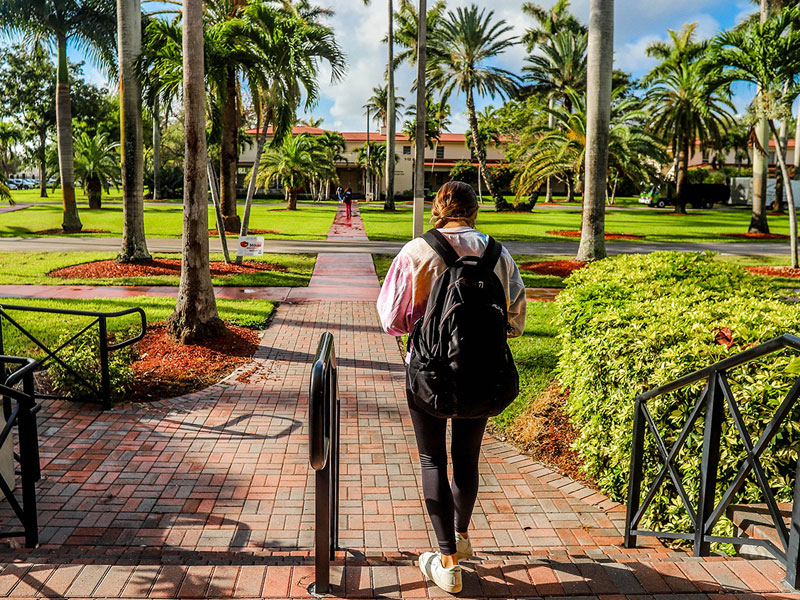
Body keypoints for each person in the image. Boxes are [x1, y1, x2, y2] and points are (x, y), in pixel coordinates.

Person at [376, 181, 526, 594]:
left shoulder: (417, 251)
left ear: (439, 209)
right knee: (467, 458)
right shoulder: (498, 253)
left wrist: (419, 329)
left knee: (431, 460)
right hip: (482, 373)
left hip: (428, 375)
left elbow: (391, 318)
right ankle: (461, 536)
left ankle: (447, 562)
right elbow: (516, 319)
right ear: (475, 210)